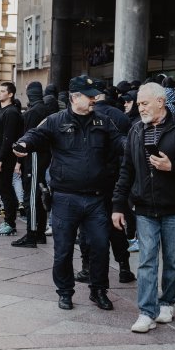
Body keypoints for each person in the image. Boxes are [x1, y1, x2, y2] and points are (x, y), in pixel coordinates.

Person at [14, 76, 124, 311]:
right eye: (89, 95)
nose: (95, 98)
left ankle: (98, 290)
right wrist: (22, 144)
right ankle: (65, 292)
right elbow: (34, 135)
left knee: (100, 247)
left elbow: (121, 143)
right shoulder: (55, 120)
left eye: (95, 94)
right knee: (63, 250)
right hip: (65, 198)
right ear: (75, 97)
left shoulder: (104, 122)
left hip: (96, 198)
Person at [112, 82, 175, 333]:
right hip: (144, 206)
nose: (140, 108)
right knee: (146, 260)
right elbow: (127, 170)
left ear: (160, 102)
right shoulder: (135, 130)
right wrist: (119, 205)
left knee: (173, 260)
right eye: (139, 104)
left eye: (144, 103)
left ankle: (167, 302)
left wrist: (172, 166)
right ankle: (146, 311)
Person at [75, 80, 134, 283]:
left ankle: (86, 268)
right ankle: (124, 267)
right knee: (116, 224)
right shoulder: (120, 115)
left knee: (87, 228)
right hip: (115, 178)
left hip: (94, 181)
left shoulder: (89, 118)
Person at [11, 82, 51, 248]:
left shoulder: (32, 112)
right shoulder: (47, 109)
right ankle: (39, 232)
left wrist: (19, 162)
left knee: (32, 197)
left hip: (33, 156)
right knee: (39, 194)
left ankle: (32, 234)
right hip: (44, 156)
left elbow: (25, 139)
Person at [0, 82, 23, 237]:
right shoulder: (1, 111)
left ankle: (10, 223)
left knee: (6, 191)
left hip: (5, 158)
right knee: (3, 191)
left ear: (10, 94)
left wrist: (1, 159)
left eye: (2, 91)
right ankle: (8, 221)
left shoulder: (11, 113)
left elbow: (8, 139)